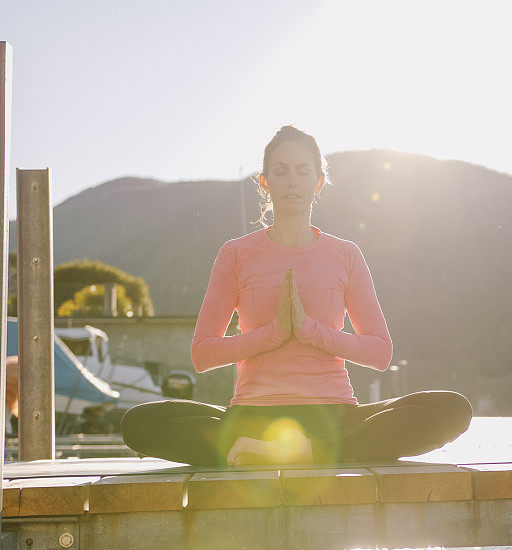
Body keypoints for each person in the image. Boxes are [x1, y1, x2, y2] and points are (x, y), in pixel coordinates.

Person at [120, 125, 473, 467]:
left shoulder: (345, 254)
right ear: (265, 182)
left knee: (451, 409)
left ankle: (288, 451)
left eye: (303, 171)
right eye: (282, 171)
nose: (292, 180)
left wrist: (309, 331)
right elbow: (202, 353)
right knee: (139, 422)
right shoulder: (236, 254)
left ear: (318, 182)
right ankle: (302, 451)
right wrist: (273, 333)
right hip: (252, 418)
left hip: (332, 417)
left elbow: (380, 352)